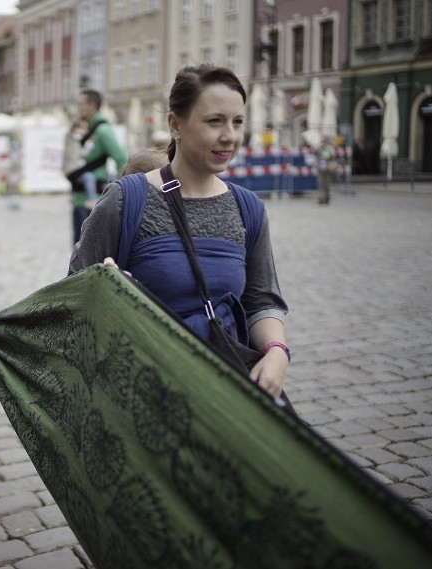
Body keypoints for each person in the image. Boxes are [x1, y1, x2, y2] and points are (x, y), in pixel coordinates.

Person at [69, 65, 291, 400]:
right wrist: (105, 289)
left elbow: (261, 301)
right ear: (175, 124)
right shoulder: (127, 200)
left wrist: (276, 351)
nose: (229, 135)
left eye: (238, 121)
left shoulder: (248, 208)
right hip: (138, 393)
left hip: (223, 392)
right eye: (215, 121)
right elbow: (74, 291)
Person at [66, 89, 127, 244]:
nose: (78, 108)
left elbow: (121, 158)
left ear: (92, 106)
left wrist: (121, 192)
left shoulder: (102, 130)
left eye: (81, 104)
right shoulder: (89, 129)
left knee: (87, 254)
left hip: (92, 203)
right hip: (80, 198)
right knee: (79, 253)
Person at [316, 137, 337, 205]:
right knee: (325, 184)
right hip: (323, 168)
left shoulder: (326, 149)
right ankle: (325, 198)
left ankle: (323, 198)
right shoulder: (325, 149)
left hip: (325, 168)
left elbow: (329, 157)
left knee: (323, 184)